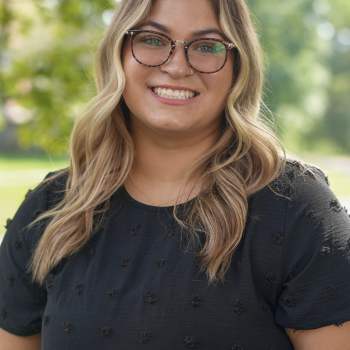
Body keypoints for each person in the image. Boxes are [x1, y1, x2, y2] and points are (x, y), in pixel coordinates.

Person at [0, 0, 349, 349]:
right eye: (152, 40)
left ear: (238, 68)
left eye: (207, 46)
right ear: (117, 53)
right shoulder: (50, 209)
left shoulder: (296, 208)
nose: (177, 66)